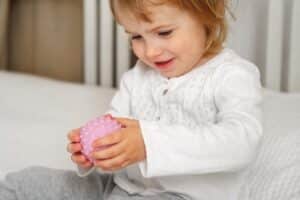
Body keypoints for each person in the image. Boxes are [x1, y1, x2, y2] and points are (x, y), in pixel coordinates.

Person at [0, 0, 263, 199]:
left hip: (186, 195)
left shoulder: (232, 75)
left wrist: (148, 143)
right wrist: (95, 152)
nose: (149, 51)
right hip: (119, 186)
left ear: (208, 16)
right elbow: (115, 126)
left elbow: (243, 141)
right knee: (26, 183)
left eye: (164, 32)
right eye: (136, 36)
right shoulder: (137, 77)